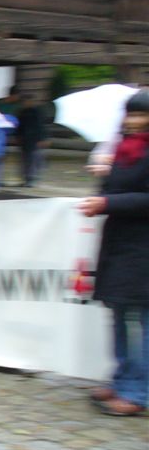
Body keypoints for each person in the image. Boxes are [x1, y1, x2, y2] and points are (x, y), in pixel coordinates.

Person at [78, 88, 149, 417]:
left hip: (143, 246)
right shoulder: (123, 148)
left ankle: (138, 391)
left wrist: (108, 202)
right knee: (120, 315)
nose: (133, 120)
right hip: (121, 242)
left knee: (142, 320)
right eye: (130, 114)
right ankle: (122, 379)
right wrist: (106, 177)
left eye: (141, 114)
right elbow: (115, 191)